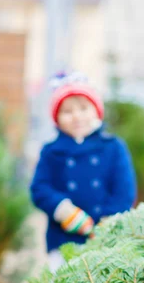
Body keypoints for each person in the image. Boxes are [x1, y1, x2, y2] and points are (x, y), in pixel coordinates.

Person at [30, 72, 137, 272]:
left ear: (96, 111)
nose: (77, 116)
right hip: (63, 238)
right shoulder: (51, 151)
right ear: (57, 118)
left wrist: (109, 221)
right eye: (67, 111)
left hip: (105, 236)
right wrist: (64, 210)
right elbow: (39, 188)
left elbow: (124, 190)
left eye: (83, 108)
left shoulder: (113, 147)